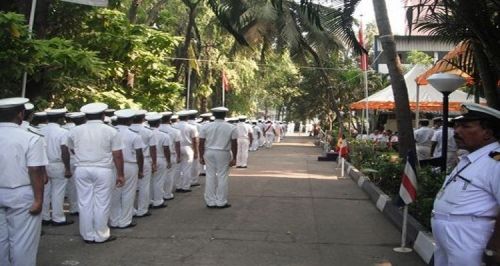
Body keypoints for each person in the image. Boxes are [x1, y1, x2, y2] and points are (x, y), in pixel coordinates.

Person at [431, 103, 500, 266]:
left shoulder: (496, 161)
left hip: (470, 239)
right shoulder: (471, 158)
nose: (456, 131)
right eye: (456, 126)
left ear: (488, 133)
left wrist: (496, 247)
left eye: (465, 126)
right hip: (450, 238)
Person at [66, 102, 125, 244]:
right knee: (102, 203)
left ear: (85, 116)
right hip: (103, 169)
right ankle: (101, 234)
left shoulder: (75, 131)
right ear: (103, 115)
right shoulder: (111, 131)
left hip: (82, 168)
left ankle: (87, 235)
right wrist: (120, 174)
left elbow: (71, 149)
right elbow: (117, 155)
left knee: (84, 202)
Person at [0, 97, 48, 266]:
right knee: (23, 242)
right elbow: (35, 170)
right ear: (21, 114)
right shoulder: (30, 138)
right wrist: (39, 199)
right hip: (21, 192)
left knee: (1, 241)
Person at [109, 109, 144, 229]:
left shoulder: (111, 132)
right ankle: (124, 221)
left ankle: (114, 220)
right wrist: (140, 169)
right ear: (129, 121)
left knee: (115, 193)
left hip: (113, 165)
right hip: (130, 165)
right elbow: (139, 154)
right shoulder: (134, 135)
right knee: (128, 193)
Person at [199, 107, 238, 208]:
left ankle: (210, 201)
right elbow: (234, 144)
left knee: (210, 175)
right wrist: (234, 158)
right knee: (222, 176)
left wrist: (201, 156)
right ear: (225, 115)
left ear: (213, 115)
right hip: (223, 152)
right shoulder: (231, 127)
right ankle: (221, 201)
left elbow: (201, 143)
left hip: (209, 152)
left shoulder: (205, 127)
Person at [40, 108, 73, 226]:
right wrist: (67, 168)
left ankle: (45, 216)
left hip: (43, 164)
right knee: (58, 192)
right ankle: (58, 217)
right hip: (57, 164)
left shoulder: (40, 130)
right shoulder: (62, 132)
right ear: (60, 119)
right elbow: (64, 151)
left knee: (45, 191)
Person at [130, 110, 157, 218]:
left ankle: (130, 211)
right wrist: (154, 162)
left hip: (129, 161)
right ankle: (142, 209)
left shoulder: (126, 130)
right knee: (144, 186)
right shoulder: (148, 131)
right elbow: (153, 149)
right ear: (143, 119)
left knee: (129, 188)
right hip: (145, 159)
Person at [147, 113, 171, 209]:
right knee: (159, 181)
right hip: (160, 158)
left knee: (148, 182)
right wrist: (168, 161)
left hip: (147, 159)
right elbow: (166, 149)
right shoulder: (163, 135)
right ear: (159, 123)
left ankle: (148, 200)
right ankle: (158, 201)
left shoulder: (144, 133)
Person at [174, 110, 199, 193]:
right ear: (187, 117)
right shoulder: (191, 127)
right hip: (188, 147)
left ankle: (178, 186)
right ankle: (185, 186)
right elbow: (194, 140)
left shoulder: (174, 126)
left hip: (176, 147)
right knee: (187, 168)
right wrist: (195, 151)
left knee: (177, 168)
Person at [159, 112, 181, 201]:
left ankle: (159, 195)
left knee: (158, 178)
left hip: (156, 155)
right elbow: (177, 145)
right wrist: (178, 156)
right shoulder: (175, 131)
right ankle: (167, 194)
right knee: (169, 175)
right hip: (170, 154)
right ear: (169, 119)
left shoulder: (154, 130)